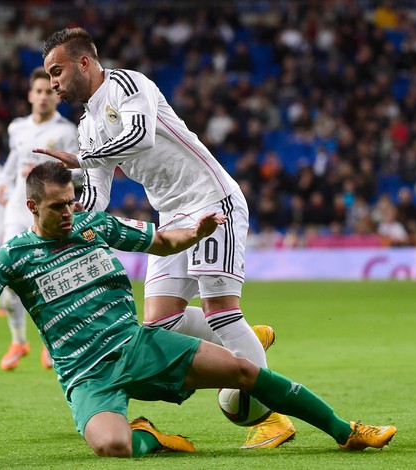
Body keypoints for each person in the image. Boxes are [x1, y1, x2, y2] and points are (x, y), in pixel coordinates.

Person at [0, 162, 396, 458]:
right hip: (87, 375)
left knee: (242, 369)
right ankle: (150, 436)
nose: (68, 212)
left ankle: (344, 429)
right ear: (32, 206)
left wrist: (196, 231)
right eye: (57, 207)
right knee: (112, 446)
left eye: (71, 203)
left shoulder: (94, 226)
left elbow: (162, 240)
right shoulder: (13, 257)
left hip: (137, 345)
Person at [34, 27, 294, 448]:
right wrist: (68, 222)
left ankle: (272, 417)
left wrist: (83, 159)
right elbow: (97, 198)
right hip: (172, 216)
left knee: (221, 311)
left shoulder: (129, 85)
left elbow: (142, 136)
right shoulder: (87, 128)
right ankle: (245, 342)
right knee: (161, 322)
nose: (54, 83)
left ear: (84, 62)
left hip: (212, 201)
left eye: (58, 71)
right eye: (50, 76)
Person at [0, 66, 78, 371]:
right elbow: (15, 158)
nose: (43, 97)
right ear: (31, 95)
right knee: (9, 277)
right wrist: (3, 180)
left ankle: (51, 343)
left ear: (56, 96)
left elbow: (80, 170)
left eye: (49, 92)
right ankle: (18, 341)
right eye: (38, 91)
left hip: (50, 216)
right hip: (17, 211)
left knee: (51, 278)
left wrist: (47, 177)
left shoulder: (67, 132)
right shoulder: (17, 127)